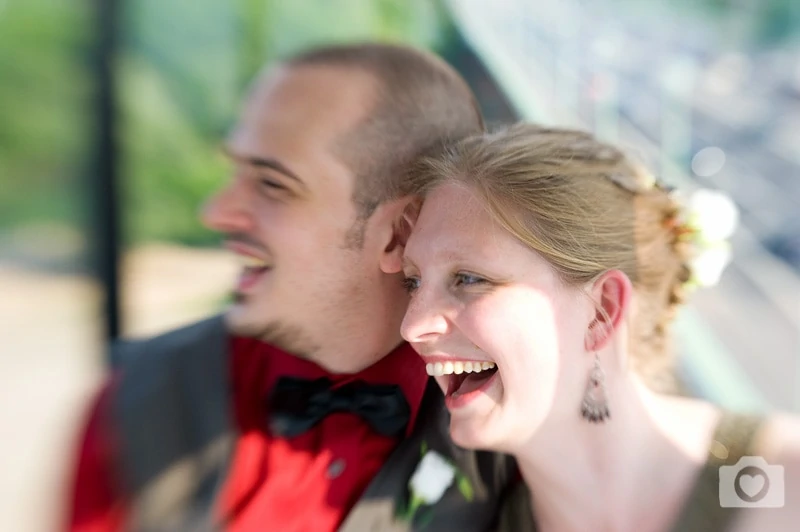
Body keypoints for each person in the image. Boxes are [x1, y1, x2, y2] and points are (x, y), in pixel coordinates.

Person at [67, 43, 517, 532]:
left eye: (272, 184)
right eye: (236, 170)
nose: (216, 212)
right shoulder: (137, 396)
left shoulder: (514, 429)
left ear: (401, 233)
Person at [400, 123, 800, 531]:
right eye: (412, 282)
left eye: (469, 279)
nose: (411, 325)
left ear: (601, 311)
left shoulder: (787, 484)